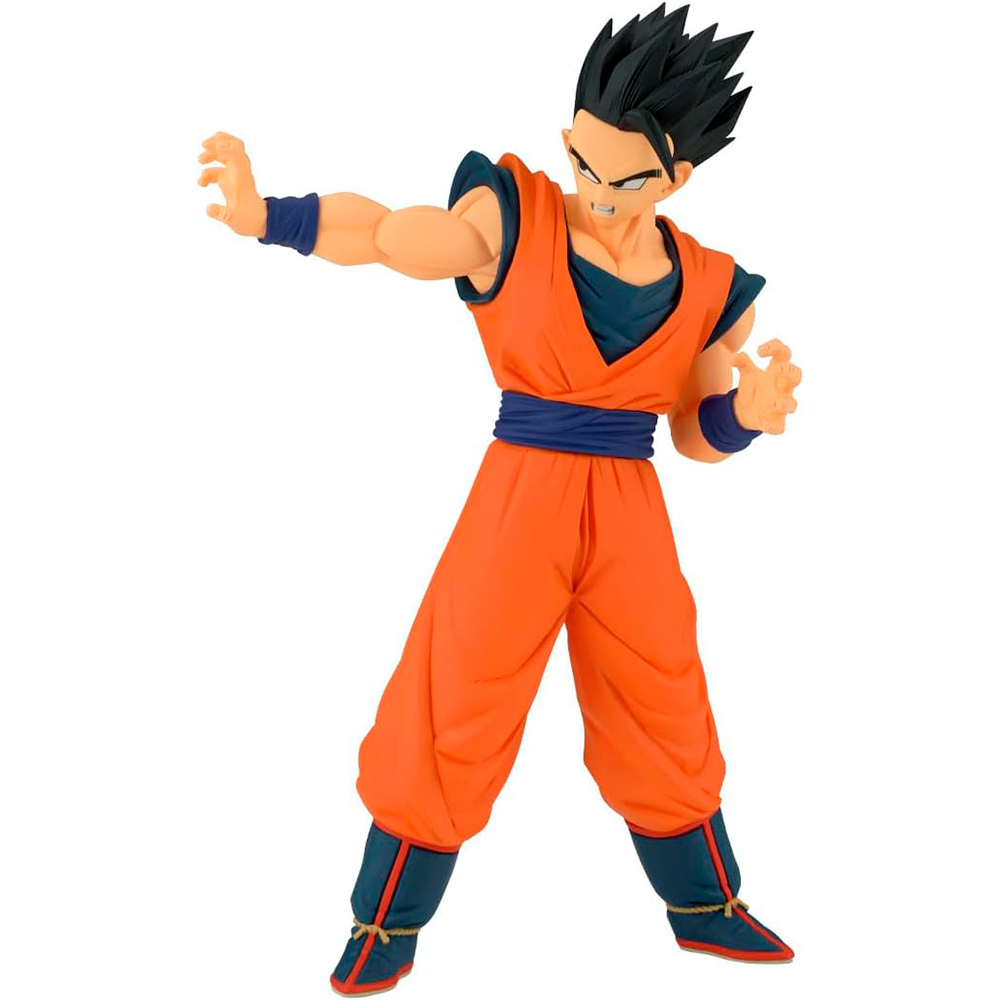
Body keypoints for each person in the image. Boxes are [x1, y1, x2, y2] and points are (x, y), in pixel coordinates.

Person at [197, 5, 801, 993]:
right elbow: (389, 235)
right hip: (521, 490)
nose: (596, 192)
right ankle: (386, 922)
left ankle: (705, 907)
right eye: (583, 162)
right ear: (569, 137)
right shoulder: (512, 218)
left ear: (677, 177)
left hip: (630, 506)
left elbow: (696, 432)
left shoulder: (704, 281)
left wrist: (747, 414)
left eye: (625, 179)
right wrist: (272, 216)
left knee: (662, 693)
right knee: (455, 691)